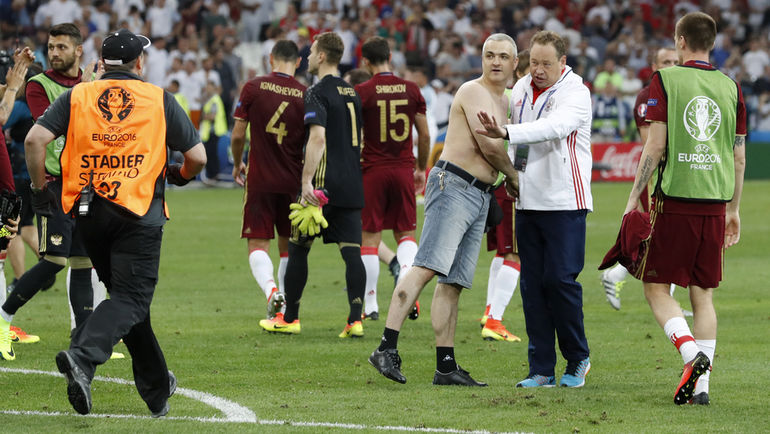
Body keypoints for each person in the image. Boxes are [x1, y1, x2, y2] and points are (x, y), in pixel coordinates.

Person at [24, 28, 206, 415]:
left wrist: (39, 192)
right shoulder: (158, 98)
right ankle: (83, 357)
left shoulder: (78, 95)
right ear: (140, 62)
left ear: (103, 63)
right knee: (132, 299)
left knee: (129, 303)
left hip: (88, 213)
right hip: (138, 213)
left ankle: (157, 390)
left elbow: (34, 141)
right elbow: (198, 157)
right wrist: (180, 175)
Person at [369, 33, 519, 386]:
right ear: (481, 59)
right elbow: (490, 147)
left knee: (453, 283)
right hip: (454, 185)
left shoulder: (507, 100)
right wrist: (514, 177)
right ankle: (385, 347)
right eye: (489, 55)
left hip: (478, 193)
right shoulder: (473, 91)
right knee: (425, 267)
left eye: (503, 56)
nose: (495, 62)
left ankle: (446, 366)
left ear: (514, 63)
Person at [620, 12, 745, 406]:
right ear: (713, 42)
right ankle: (702, 390)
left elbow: (655, 146)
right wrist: (734, 209)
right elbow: (739, 156)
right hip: (716, 202)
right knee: (703, 296)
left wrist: (633, 197)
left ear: (680, 40)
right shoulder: (731, 87)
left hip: (675, 200)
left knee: (656, 288)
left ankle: (692, 355)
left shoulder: (666, 80)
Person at [476, 30, 593, 388]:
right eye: (534, 63)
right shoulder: (522, 89)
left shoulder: (576, 92)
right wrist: (513, 173)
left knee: (559, 281)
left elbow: (553, 128)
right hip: (527, 200)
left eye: (546, 64)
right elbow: (522, 141)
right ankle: (540, 368)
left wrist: (507, 133)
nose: (538, 70)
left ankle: (578, 358)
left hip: (565, 200)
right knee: (531, 286)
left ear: (563, 62)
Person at [258, 32, 367, 338]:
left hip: (322, 185)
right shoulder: (352, 92)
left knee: (298, 248)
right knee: (352, 252)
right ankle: (355, 320)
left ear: (321, 56)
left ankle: (290, 318)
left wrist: (306, 181)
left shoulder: (316, 92)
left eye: (311, 52)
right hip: (351, 183)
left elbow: (318, 138)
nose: (306, 57)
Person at [2, 24, 99, 353]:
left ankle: (83, 342)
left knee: (83, 265)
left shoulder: (90, 84)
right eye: (51, 47)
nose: (54, 53)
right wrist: (86, 92)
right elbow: (58, 127)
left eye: (61, 47)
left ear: (78, 51)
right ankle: (3, 317)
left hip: (86, 186)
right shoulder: (38, 85)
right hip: (54, 184)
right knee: (54, 261)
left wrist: (91, 90)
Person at [354, 36, 430, 321]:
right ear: (390, 57)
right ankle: (407, 289)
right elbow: (424, 134)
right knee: (405, 234)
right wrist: (420, 168)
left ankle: (371, 305)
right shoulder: (412, 89)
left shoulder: (362, 91)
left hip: (372, 170)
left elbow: (355, 135)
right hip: (402, 170)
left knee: (370, 237)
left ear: (365, 61)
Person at [230, 40, 306, 322]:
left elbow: (238, 134)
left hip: (260, 177)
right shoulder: (305, 94)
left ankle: (272, 290)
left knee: (258, 243)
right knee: (288, 248)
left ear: (271, 58)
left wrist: (237, 163)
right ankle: (284, 312)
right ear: (298, 62)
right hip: (293, 180)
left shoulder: (253, 87)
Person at [601, 47, 679, 311]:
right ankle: (617, 274)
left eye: (675, 61)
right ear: (654, 66)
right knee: (661, 234)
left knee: (668, 236)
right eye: (665, 61)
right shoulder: (647, 97)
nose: (671, 65)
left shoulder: (678, 92)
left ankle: (617, 275)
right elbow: (651, 143)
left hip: (676, 175)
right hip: (656, 176)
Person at [480, 49, 529, 343]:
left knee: (502, 251)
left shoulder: (501, 97)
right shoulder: (518, 101)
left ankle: (489, 312)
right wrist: (517, 175)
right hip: (510, 182)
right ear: (519, 72)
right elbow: (520, 146)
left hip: (497, 183)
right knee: (514, 254)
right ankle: (494, 321)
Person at [0, 47, 35, 359]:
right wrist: (13, 85)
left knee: (2, 250)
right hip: (6, 191)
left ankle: (2, 329)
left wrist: (16, 76)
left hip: (7, 194)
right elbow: (2, 115)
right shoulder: (13, 102)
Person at [200, 79, 227, 184]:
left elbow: (212, 116)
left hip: (214, 130)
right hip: (210, 131)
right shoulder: (210, 100)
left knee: (212, 154)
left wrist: (203, 116)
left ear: (213, 88)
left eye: (209, 87)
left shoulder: (214, 100)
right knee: (210, 153)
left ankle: (213, 176)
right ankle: (212, 176)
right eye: (207, 87)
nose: (207, 89)